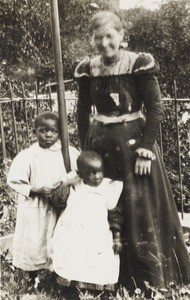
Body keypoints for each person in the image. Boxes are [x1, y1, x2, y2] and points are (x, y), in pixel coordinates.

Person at [74, 11, 190, 291]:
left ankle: (148, 279)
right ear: (92, 40)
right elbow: (81, 111)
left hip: (134, 149)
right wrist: (84, 150)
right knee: (103, 206)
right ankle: (104, 278)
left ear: (121, 36)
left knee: (140, 209)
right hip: (101, 150)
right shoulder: (88, 69)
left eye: (109, 36)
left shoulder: (139, 63)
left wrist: (145, 150)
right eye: (97, 37)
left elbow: (156, 109)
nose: (104, 43)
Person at [7, 111, 80, 285]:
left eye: (53, 131)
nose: (48, 134)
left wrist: (64, 185)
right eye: (43, 130)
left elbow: (79, 174)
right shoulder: (28, 155)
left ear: (60, 133)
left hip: (60, 206)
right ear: (34, 132)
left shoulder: (69, 153)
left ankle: (59, 275)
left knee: (59, 239)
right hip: (36, 207)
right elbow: (15, 180)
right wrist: (37, 190)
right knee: (34, 240)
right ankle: (33, 277)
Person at [52, 151, 123, 298]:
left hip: (98, 234)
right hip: (73, 233)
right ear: (81, 173)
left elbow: (115, 214)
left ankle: (100, 289)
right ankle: (71, 289)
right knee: (73, 259)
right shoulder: (74, 187)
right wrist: (67, 183)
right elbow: (56, 201)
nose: (97, 176)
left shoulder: (108, 188)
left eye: (99, 172)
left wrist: (117, 237)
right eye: (91, 173)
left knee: (101, 260)